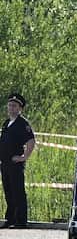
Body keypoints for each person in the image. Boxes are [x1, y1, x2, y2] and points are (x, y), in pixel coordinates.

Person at [1, 93, 35, 229]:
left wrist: (23, 157)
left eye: (14, 106)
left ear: (20, 108)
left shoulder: (22, 124)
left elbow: (31, 141)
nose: (11, 108)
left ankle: (21, 221)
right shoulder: (6, 123)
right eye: (10, 105)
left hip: (15, 163)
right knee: (8, 190)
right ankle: (10, 219)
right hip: (4, 163)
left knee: (18, 191)